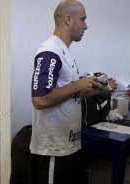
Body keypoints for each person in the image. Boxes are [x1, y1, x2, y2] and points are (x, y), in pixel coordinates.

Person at [30, 1, 117, 184]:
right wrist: (78, 85)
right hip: (53, 148)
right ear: (68, 19)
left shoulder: (64, 52)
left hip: (69, 144)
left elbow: (68, 95)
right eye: (83, 19)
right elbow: (40, 99)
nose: (86, 25)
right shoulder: (49, 52)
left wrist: (97, 89)